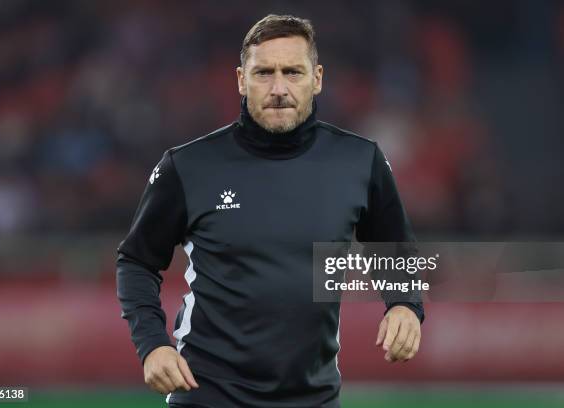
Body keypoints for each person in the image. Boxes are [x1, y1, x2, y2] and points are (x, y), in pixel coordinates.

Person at [116, 14, 424, 408]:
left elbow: (395, 249)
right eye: (264, 73)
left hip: (314, 399)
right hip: (208, 396)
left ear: (317, 78)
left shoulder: (360, 162)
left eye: (293, 72)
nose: (279, 88)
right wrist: (153, 345)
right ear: (242, 80)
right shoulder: (188, 166)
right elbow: (136, 261)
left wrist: (404, 304)